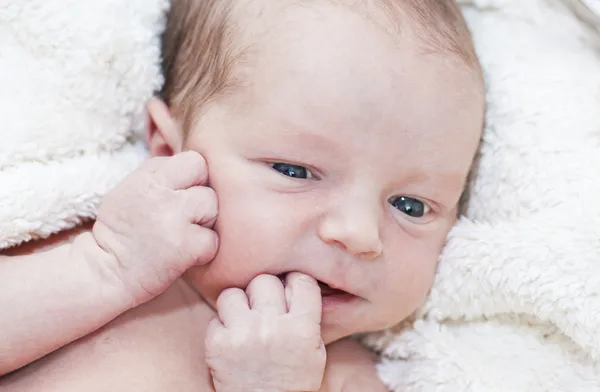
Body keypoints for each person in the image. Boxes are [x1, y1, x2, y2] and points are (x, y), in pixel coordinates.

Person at [0, 0, 484, 390]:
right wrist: (103, 269)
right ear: (171, 150)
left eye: (411, 206)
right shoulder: (93, 253)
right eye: (296, 171)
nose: (359, 234)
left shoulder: (340, 374)